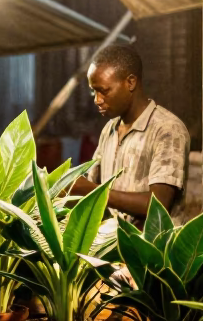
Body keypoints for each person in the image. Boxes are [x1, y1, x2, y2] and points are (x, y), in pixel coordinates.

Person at [72, 45, 190, 225]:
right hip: (115, 247)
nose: (97, 99)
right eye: (93, 91)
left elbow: (158, 204)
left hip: (155, 249)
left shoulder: (167, 129)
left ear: (131, 82)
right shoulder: (110, 129)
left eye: (103, 90)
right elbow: (92, 184)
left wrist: (92, 191)